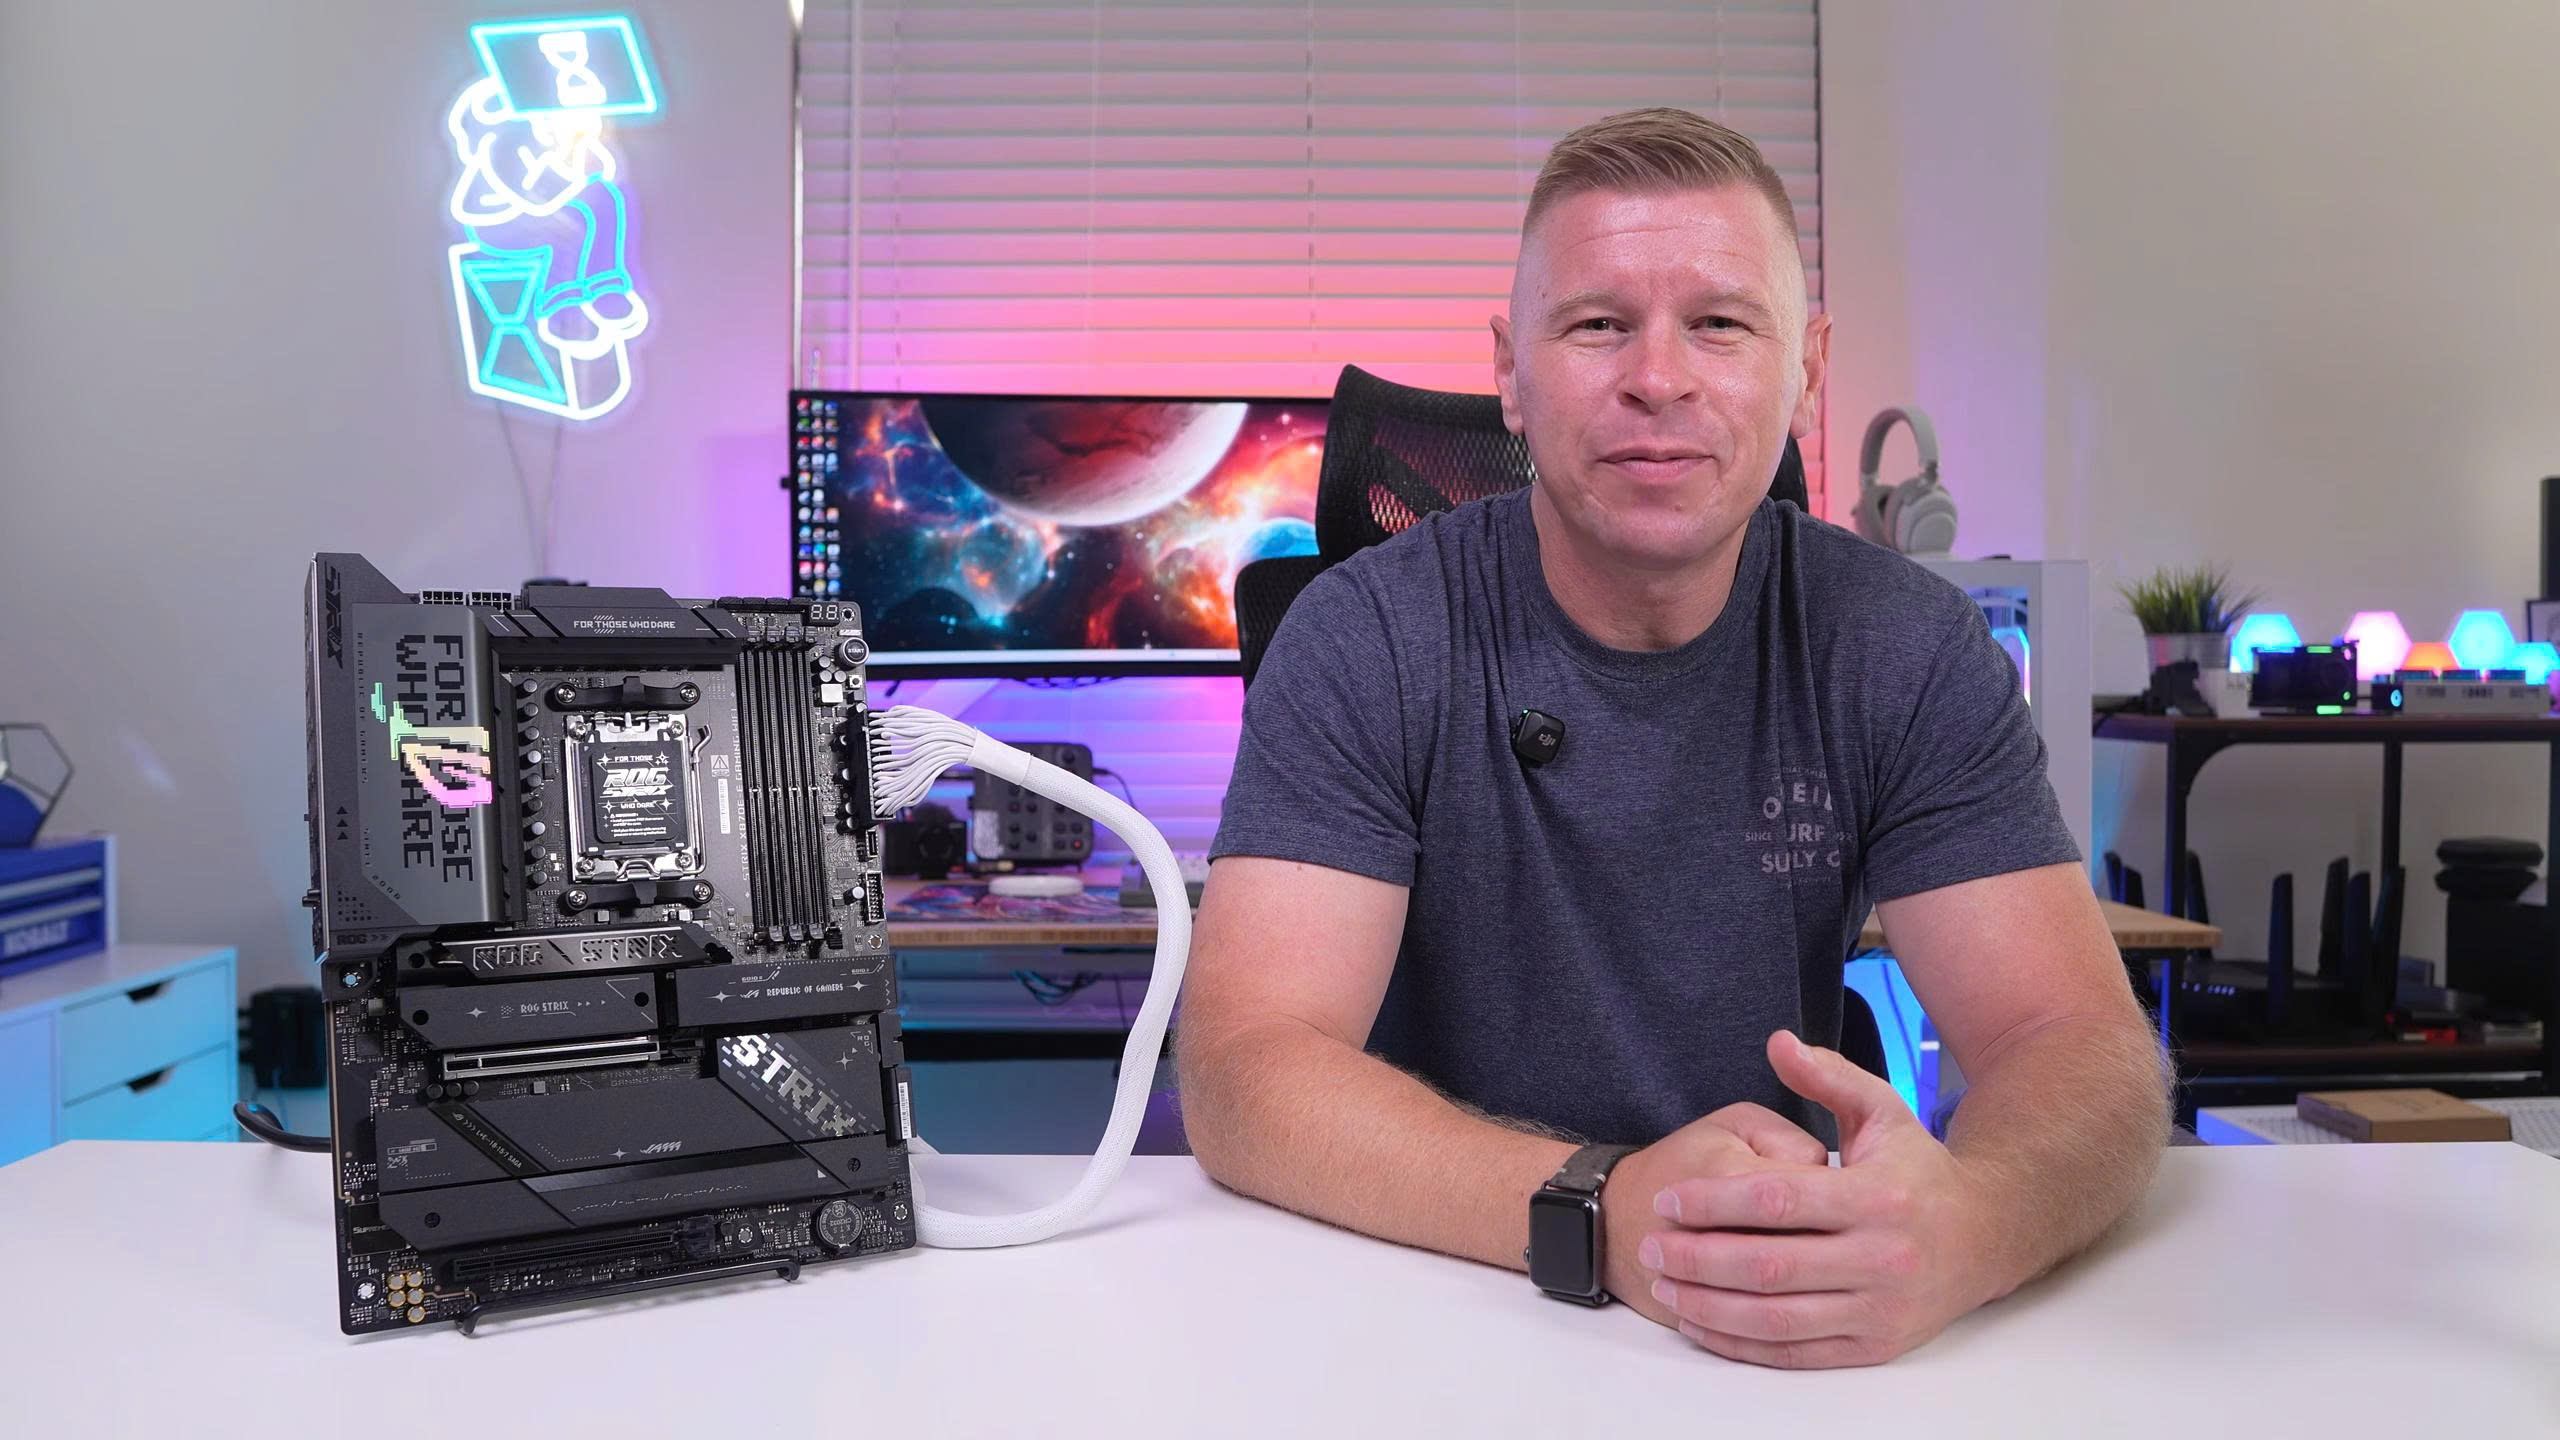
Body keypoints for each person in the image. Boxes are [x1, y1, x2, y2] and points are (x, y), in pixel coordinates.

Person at [1177, 107, 2168, 1370]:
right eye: (1597, 324)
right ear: (1510, 373)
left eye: (1720, 323)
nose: (1659, 376)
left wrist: (1973, 1225)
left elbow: (2077, 1047)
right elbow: (1246, 1068)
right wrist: (1599, 1206)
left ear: (1805, 369)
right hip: (1420, 1297)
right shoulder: (1368, 634)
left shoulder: (1899, 645)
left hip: (1765, 1311)